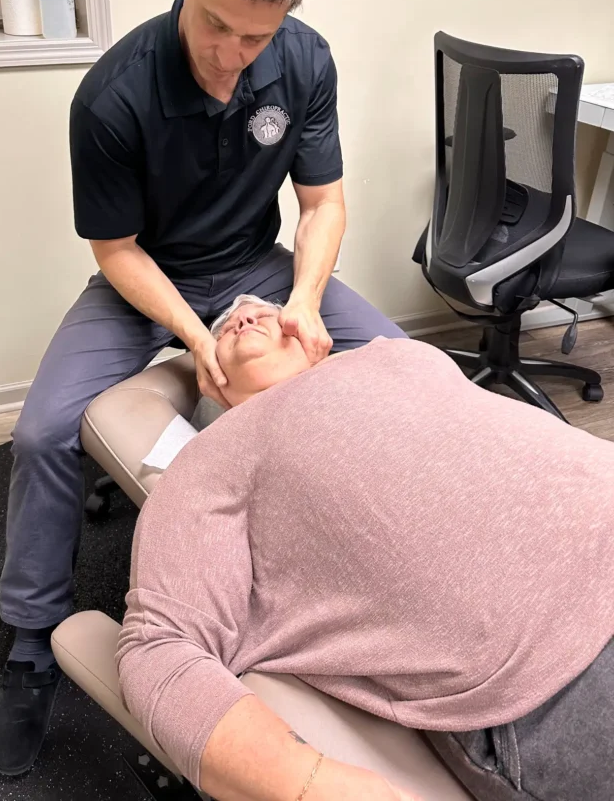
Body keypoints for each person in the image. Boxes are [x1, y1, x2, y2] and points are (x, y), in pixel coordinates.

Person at [0, 0, 405, 775]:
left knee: (400, 363)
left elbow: (323, 204)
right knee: (44, 432)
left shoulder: (303, 61)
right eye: (217, 25)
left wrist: (301, 299)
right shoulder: (112, 98)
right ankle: (28, 644)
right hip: (151, 277)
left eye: (256, 37)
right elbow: (115, 250)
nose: (233, 56)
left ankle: (380, 561)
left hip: (257, 265)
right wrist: (193, 332)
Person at [116, 296, 614, 801]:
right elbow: (159, 649)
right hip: (555, 663)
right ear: (210, 382)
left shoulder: (399, 355)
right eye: (224, 330)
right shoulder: (212, 457)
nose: (243, 316)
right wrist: (314, 784)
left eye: (263, 310)